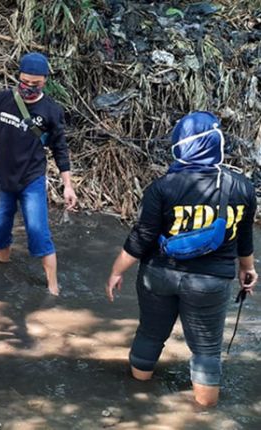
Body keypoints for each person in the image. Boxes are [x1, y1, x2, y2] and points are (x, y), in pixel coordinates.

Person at [106, 112, 257, 407]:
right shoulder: (242, 187)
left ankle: (135, 403)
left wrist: (116, 272)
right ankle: (205, 414)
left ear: (180, 145)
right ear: (216, 143)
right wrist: (247, 269)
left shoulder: (162, 188)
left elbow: (141, 239)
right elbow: (244, 237)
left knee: (150, 333)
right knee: (206, 350)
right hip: (211, 281)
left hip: (159, 275)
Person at [0, 52, 76, 296]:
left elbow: (60, 148)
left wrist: (68, 185)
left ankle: (54, 289)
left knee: (38, 232)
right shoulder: (0, 100)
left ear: (45, 81)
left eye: (35, 84)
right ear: (18, 78)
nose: (29, 88)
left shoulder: (51, 110)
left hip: (31, 180)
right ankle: (4, 269)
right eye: (25, 82)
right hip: (2, 179)